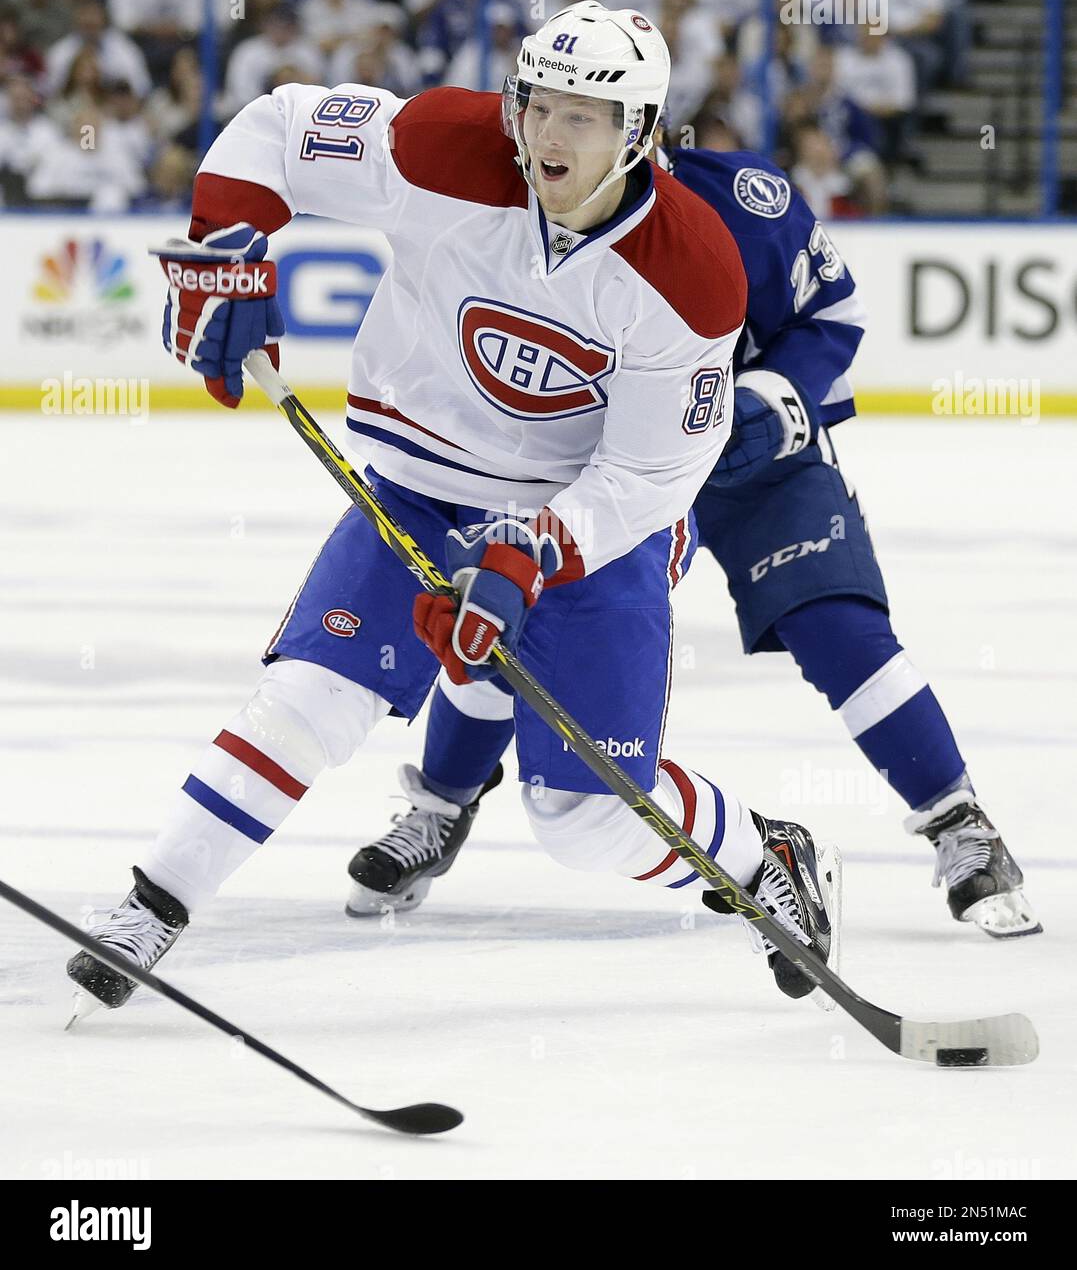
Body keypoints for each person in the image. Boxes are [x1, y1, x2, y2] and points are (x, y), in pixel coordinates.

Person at [66, 1, 838, 1020]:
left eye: (583, 116)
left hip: (590, 530)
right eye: (537, 104)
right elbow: (279, 130)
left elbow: (653, 477)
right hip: (422, 485)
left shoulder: (690, 270)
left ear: (640, 133)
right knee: (310, 696)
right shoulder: (441, 143)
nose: (546, 136)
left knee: (581, 819)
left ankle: (758, 849)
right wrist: (229, 242)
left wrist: (531, 552)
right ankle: (151, 906)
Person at [346, 126, 1040, 943]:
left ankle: (957, 819)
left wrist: (780, 395)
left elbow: (831, 312)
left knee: (838, 630)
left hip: (756, 465)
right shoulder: (526, 207)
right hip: (614, 476)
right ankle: (441, 804)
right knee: (515, 615)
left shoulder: (744, 200)